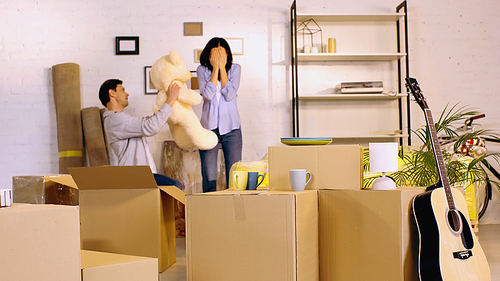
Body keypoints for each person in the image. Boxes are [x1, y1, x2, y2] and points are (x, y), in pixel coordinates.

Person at [98, 79, 183, 189]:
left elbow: (147, 123)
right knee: (175, 186)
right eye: (122, 90)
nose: (127, 94)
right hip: (134, 176)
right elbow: (150, 126)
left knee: (172, 188)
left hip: (140, 174)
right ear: (112, 93)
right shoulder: (114, 119)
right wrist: (171, 99)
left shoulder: (120, 118)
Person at [197, 37, 242, 192]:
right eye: (214, 53)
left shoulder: (235, 69)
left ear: (227, 54)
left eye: (221, 53)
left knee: (235, 175)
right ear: (208, 55)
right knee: (209, 175)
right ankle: (210, 212)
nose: (217, 57)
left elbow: (230, 95)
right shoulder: (202, 70)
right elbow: (208, 95)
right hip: (209, 129)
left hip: (232, 128)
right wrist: (215, 69)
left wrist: (222, 68)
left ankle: (234, 213)